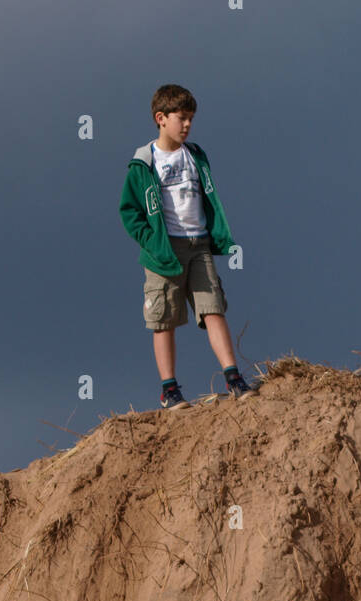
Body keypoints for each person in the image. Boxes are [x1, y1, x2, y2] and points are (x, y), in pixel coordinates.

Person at [119, 84, 257, 409]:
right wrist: (151, 241)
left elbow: (208, 197)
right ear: (161, 118)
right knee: (164, 320)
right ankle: (170, 390)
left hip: (199, 245)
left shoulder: (195, 155)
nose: (187, 125)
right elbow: (129, 211)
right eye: (181, 118)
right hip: (163, 252)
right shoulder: (143, 163)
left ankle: (234, 378)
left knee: (214, 309)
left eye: (191, 118)